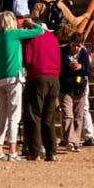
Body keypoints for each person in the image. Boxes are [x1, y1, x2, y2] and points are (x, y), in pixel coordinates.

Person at [0, 11, 46, 162]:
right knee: (14, 116)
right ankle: (12, 151)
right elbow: (40, 31)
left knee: (2, 115)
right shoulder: (14, 33)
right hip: (13, 76)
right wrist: (30, 22)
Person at [21, 21, 63, 161]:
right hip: (54, 78)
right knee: (48, 117)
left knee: (33, 115)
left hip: (37, 78)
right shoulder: (53, 38)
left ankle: (35, 151)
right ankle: (51, 151)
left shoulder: (32, 38)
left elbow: (27, 60)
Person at [60, 30, 92, 153]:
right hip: (66, 87)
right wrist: (68, 67)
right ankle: (69, 140)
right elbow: (59, 68)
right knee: (68, 114)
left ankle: (75, 142)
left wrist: (80, 67)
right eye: (74, 45)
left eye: (79, 45)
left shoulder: (84, 52)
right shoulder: (62, 51)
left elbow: (88, 71)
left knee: (78, 116)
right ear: (70, 43)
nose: (76, 48)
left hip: (80, 87)